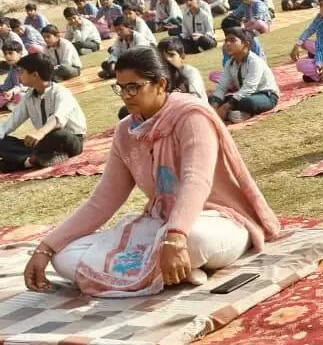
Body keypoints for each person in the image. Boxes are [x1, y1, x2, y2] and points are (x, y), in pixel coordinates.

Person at [21, 48, 279, 297]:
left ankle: (168, 264)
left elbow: (195, 181)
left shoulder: (192, 117)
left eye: (134, 86)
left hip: (218, 219)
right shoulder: (126, 131)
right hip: (162, 221)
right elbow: (102, 202)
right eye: (120, 87)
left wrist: (176, 237)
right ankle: (172, 271)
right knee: (64, 256)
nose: (126, 95)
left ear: (161, 84)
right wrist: (45, 248)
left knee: (196, 240)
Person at [0, 53, 86, 172]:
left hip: (69, 141)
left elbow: (58, 118)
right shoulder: (28, 96)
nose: (19, 75)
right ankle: (35, 159)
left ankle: (26, 159)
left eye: (22, 72)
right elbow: (13, 120)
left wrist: (40, 133)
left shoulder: (61, 93)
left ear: (35, 75)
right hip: (41, 142)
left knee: (58, 134)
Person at [211, 28, 280, 123]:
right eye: (226, 41)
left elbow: (249, 87)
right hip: (242, 96)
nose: (227, 44)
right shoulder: (230, 63)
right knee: (211, 99)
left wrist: (225, 107)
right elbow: (221, 86)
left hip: (265, 95)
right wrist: (214, 106)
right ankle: (235, 115)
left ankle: (232, 114)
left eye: (232, 40)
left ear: (246, 44)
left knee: (247, 103)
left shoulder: (254, 61)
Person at [0, 41, 24, 110]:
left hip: (24, 93)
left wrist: (13, 91)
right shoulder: (12, 67)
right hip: (13, 93)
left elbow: (28, 87)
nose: (7, 56)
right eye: (5, 54)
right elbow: (7, 85)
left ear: (20, 53)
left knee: (19, 95)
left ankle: (8, 105)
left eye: (10, 53)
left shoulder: (26, 67)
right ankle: (9, 104)